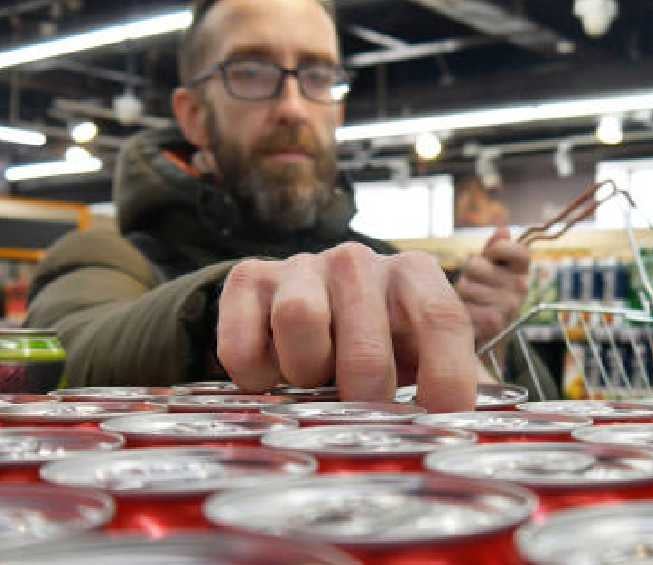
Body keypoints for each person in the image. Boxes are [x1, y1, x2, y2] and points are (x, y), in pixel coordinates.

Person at [25, 0, 541, 412]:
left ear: (336, 110)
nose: (293, 107)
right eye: (250, 72)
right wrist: (229, 308)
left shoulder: (378, 259)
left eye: (316, 76)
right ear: (195, 116)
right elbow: (67, 354)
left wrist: (485, 342)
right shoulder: (106, 253)